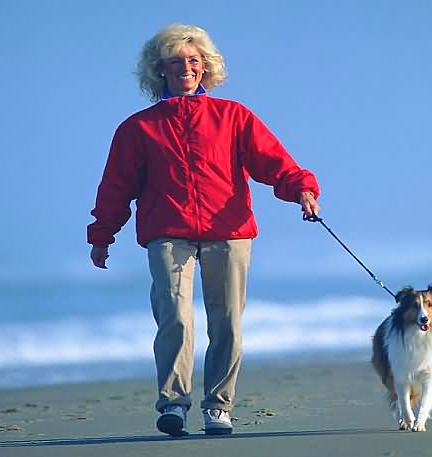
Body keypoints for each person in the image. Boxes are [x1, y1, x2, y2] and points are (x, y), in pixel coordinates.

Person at [87, 23, 320, 436]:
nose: (186, 68)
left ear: (205, 67)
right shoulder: (137, 129)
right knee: (175, 317)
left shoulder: (234, 116)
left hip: (228, 230)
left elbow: (273, 163)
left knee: (226, 320)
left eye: (194, 61)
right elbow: (115, 187)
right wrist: (103, 234)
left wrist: (301, 188)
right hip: (167, 231)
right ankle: (174, 404)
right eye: (176, 62)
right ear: (160, 70)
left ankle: (218, 406)